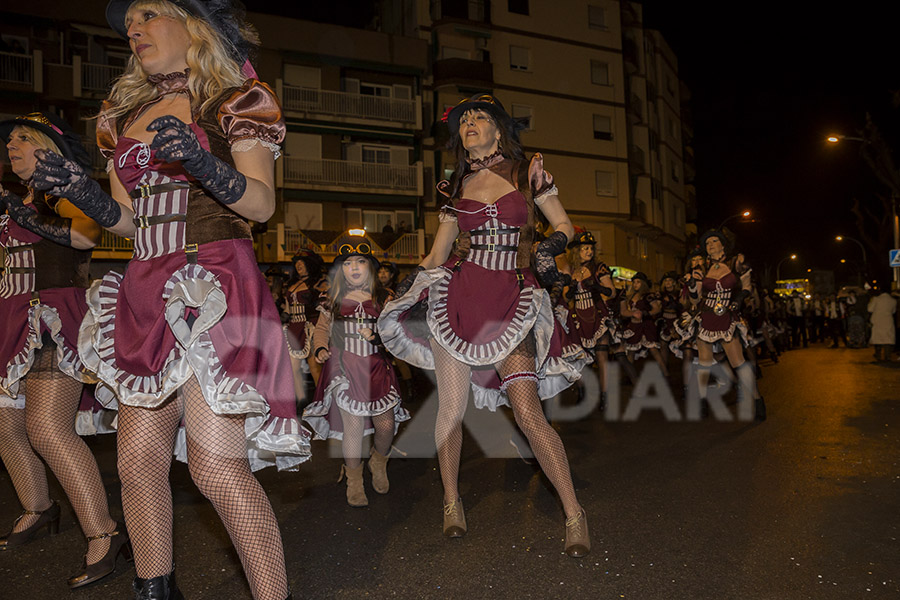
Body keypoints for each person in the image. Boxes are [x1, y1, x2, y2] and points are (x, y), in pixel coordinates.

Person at [31, 1, 310, 597]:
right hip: (143, 289)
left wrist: (202, 163)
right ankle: (156, 590)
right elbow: (130, 224)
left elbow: (260, 205)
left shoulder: (235, 101)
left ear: (194, 25)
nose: (134, 27)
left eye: (151, 11)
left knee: (216, 467)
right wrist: (89, 196)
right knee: (135, 463)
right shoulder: (120, 118)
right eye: (129, 20)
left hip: (215, 283)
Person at [378, 94, 590, 557]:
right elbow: (437, 254)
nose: (471, 124)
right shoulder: (454, 185)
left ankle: (574, 513)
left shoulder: (526, 171)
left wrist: (551, 247)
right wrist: (405, 289)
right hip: (458, 299)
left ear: (499, 129)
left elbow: (566, 224)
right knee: (451, 410)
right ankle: (452, 503)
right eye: (465, 121)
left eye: (480, 118)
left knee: (529, 414)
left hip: (511, 299)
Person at [0, 112, 124, 589]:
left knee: (48, 429)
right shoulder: (19, 198)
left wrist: (24, 214)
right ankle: (39, 507)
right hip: (12, 320)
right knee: (7, 423)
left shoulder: (68, 188)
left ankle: (104, 532)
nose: (11, 146)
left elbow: (82, 237)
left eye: (22, 138)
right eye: (8, 140)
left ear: (49, 147)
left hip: (52, 319)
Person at [303, 242, 410, 506]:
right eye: (348, 263)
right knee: (353, 426)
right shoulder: (332, 298)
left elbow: (396, 333)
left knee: (386, 425)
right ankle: (354, 479)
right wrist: (319, 349)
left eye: (360, 262)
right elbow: (321, 329)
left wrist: (375, 337)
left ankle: (378, 460)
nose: (353, 267)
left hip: (377, 366)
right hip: (345, 366)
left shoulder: (384, 298)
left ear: (370, 268)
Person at [689, 230, 766, 421]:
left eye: (715, 241)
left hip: (727, 317)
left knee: (738, 362)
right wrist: (693, 283)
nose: (711, 245)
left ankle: (757, 400)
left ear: (723, 245)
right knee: (704, 363)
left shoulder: (735, 263)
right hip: (706, 316)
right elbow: (696, 298)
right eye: (707, 243)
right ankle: (701, 401)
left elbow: (746, 287)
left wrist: (739, 299)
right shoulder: (702, 267)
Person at [566, 230, 620, 400]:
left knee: (602, 355)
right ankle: (583, 391)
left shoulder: (599, 268)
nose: (589, 251)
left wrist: (598, 287)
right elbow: (567, 297)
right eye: (585, 248)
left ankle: (604, 395)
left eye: (591, 248)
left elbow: (611, 292)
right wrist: (572, 289)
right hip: (578, 318)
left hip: (597, 315)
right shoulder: (571, 270)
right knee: (579, 358)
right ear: (577, 251)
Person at [283, 249, 327, 402]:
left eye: (302, 262)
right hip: (293, 327)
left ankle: (322, 401)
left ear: (311, 264)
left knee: (315, 367)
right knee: (292, 369)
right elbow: (287, 310)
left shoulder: (319, 282)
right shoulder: (291, 284)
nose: (299, 265)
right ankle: (300, 402)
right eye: (297, 263)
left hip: (311, 326)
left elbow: (326, 304)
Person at [620, 272, 668, 376]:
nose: (635, 284)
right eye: (634, 282)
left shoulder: (648, 296)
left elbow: (657, 309)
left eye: (638, 282)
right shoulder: (630, 296)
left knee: (654, 350)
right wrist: (631, 313)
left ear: (643, 283)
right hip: (633, 326)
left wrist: (645, 313)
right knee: (631, 351)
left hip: (646, 326)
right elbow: (624, 311)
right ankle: (630, 376)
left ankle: (665, 373)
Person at [868, 287, 897, 361]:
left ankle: (878, 355)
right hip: (888, 320)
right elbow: (893, 311)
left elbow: (870, 309)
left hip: (877, 320)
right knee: (888, 338)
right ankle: (887, 356)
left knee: (878, 338)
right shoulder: (893, 300)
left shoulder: (876, 299)